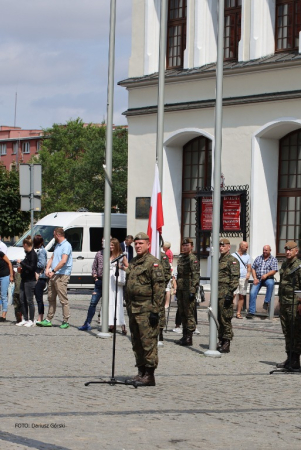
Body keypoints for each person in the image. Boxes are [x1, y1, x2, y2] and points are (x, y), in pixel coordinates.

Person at [125, 232, 165, 386]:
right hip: (133, 308)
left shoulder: (153, 263)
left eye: (141, 243)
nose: (138, 246)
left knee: (148, 342)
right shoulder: (134, 262)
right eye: (136, 243)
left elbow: (159, 289)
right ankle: (141, 371)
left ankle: (149, 375)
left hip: (147, 309)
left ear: (148, 244)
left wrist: (155, 311)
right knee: (136, 342)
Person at [37, 227, 72, 329]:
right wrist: (47, 268)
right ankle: (48, 319)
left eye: (53, 235)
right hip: (53, 274)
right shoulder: (57, 245)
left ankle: (66, 321)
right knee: (51, 297)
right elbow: (52, 257)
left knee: (63, 299)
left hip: (62, 275)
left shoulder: (66, 245)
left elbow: (63, 261)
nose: (53, 237)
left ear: (57, 235)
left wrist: (53, 271)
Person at [276, 241, 301, 370]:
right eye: (286, 250)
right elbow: (282, 284)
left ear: (296, 251)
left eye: (290, 250)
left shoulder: (299, 266)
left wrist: (300, 303)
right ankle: (289, 357)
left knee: (295, 331)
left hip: (294, 303)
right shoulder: (285, 264)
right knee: (286, 331)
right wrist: (279, 299)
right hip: (284, 302)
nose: (287, 252)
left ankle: (296, 360)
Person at [175, 238, 200, 346]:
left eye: (187, 245)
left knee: (189, 313)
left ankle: (189, 337)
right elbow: (179, 275)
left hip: (189, 288)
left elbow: (195, 276)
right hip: (181, 288)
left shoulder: (192, 259)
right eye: (183, 245)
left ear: (192, 246)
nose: (185, 247)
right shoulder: (181, 258)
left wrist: (193, 291)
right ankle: (184, 335)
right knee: (182, 312)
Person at [217, 238, 240, 353]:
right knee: (219, 318)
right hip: (218, 292)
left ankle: (226, 342)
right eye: (220, 246)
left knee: (225, 318)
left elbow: (235, 279)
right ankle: (221, 339)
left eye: (223, 246)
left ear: (228, 247)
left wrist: (230, 294)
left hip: (225, 293)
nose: (221, 247)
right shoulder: (219, 260)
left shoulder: (232, 260)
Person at [246, 245, 278, 319]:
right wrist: (255, 278)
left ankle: (266, 302)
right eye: (263, 250)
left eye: (266, 250)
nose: (264, 251)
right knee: (252, 292)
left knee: (271, 283)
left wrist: (266, 275)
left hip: (268, 278)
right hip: (258, 278)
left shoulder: (273, 259)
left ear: (270, 250)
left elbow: (274, 270)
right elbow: (253, 268)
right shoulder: (258, 258)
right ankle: (251, 312)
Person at [78, 243, 104, 331]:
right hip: (99, 281)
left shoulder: (114, 255)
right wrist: (95, 276)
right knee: (93, 303)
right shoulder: (99, 253)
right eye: (102, 241)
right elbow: (94, 266)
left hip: (110, 283)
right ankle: (87, 323)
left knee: (108, 304)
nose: (104, 243)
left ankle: (108, 325)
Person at [16, 237, 38, 327]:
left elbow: (32, 268)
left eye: (23, 245)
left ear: (25, 245)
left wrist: (22, 263)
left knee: (29, 301)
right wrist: (21, 269)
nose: (23, 247)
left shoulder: (33, 254)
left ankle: (31, 320)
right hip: (24, 279)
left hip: (30, 281)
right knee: (22, 299)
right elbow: (26, 266)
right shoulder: (27, 254)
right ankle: (25, 319)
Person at [108, 238, 128, 334]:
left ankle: (122, 324)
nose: (110, 247)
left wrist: (120, 267)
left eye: (112, 245)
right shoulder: (108, 255)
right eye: (110, 245)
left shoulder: (121, 256)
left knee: (118, 302)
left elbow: (128, 267)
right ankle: (111, 323)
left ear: (116, 246)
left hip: (117, 281)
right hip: (109, 281)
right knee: (109, 302)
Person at [232, 241, 251, 319]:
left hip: (243, 278)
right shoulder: (233, 255)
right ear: (241, 246)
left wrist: (248, 273)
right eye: (246, 246)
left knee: (241, 296)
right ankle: (229, 311)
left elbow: (249, 267)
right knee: (232, 295)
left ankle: (238, 313)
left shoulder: (247, 256)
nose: (247, 248)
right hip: (234, 278)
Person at [158, 245, 172, 346]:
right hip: (147, 290)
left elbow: (167, 272)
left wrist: (162, 285)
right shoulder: (146, 256)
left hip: (159, 288)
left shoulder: (162, 256)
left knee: (160, 311)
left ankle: (160, 331)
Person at [33, 235, 48, 322]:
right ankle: (40, 317)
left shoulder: (42, 251)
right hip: (40, 277)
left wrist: (33, 263)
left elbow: (42, 264)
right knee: (39, 298)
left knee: (39, 298)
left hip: (41, 277)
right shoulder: (41, 250)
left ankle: (40, 318)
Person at [0, 249, 14, 322]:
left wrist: (11, 275)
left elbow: (9, 263)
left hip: (4, 275)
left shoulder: (1, 253)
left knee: (3, 295)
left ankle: (3, 315)